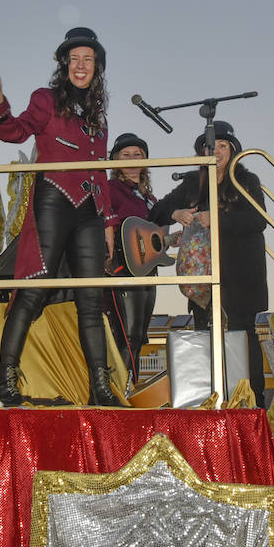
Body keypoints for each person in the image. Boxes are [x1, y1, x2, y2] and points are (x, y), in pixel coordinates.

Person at [0, 27, 122, 407]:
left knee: (92, 301)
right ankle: (5, 380)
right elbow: (17, 131)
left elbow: (100, 172)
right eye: (74, 59)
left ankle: (101, 389)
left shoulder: (99, 117)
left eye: (88, 59)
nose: (81, 66)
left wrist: (108, 223)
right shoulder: (45, 99)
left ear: (97, 67)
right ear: (64, 64)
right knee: (33, 291)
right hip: (54, 200)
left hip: (90, 211)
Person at [150, 120, 269, 406]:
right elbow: (157, 211)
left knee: (243, 336)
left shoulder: (246, 180)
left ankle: (253, 405)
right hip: (201, 278)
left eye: (222, 145)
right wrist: (176, 213)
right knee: (205, 335)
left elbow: (257, 220)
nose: (215, 151)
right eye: (209, 146)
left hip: (240, 274)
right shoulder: (193, 182)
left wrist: (216, 218)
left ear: (233, 150)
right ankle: (210, 403)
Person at [103, 132, 156, 383]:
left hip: (148, 271)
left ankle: (130, 387)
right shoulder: (111, 189)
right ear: (115, 160)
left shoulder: (150, 198)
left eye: (138, 154)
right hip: (123, 268)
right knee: (127, 333)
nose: (133, 159)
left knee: (139, 335)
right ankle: (119, 392)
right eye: (126, 155)